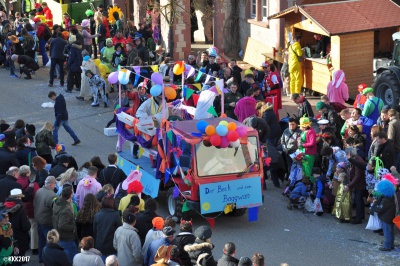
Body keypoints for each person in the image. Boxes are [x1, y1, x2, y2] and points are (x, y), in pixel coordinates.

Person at [4, 188, 31, 262]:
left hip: (7, 236)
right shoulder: (20, 209)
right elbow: (26, 226)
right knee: (18, 259)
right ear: (19, 197)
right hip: (20, 237)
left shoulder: (3, 207)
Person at [34, 176, 57, 263]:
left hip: (39, 220)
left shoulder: (39, 191)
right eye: (55, 183)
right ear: (51, 184)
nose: (55, 185)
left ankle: (41, 258)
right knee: (49, 242)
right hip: (48, 221)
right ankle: (47, 261)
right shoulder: (52, 195)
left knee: (41, 240)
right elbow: (54, 209)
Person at [52, 185, 78, 263]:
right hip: (67, 237)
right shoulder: (66, 209)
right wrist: (73, 227)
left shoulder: (57, 202)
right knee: (70, 258)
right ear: (70, 195)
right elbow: (62, 225)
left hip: (59, 235)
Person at [93, 196, 122, 262]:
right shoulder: (115, 215)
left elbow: (95, 231)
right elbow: (119, 230)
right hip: (112, 247)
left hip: (100, 246)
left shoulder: (97, 215)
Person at [370, 180, 397, 251]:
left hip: (386, 218)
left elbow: (380, 209)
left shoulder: (385, 200)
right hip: (390, 217)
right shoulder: (391, 197)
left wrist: (375, 208)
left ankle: (387, 246)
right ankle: (391, 244)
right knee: (390, 231)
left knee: (387, 232)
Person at [345, 147, 366, 224]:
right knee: (359, 200)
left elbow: (357, 176)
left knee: (358, 200)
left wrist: (349, 186)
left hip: (359, 184)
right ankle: (360, 215)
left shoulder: (356, 160)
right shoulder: (356, 159)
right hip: (360, 183)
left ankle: (359, 218)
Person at [298, 117, 317, 181]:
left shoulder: (311, 132)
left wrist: (302, 145)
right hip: (304, 153)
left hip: (309, 154)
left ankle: (310, 183)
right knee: (304, 170)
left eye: (302, 126)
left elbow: (312, 143)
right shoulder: (304, 131)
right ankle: (305, 183)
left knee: (308, 170)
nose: (301, 128)